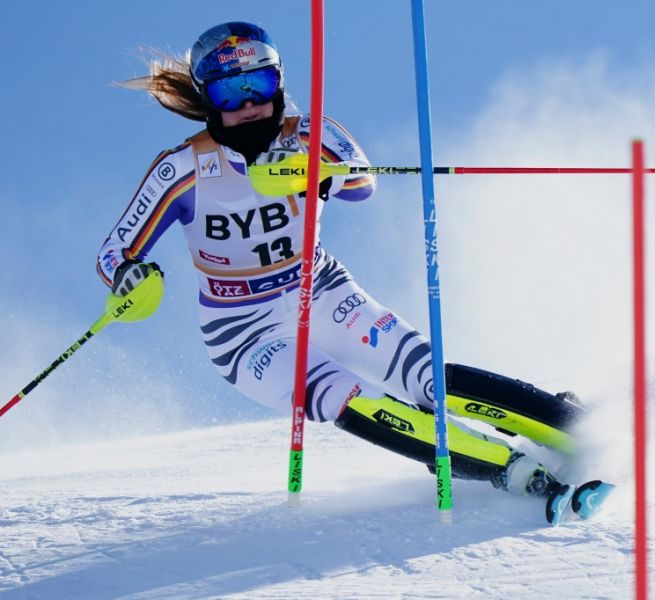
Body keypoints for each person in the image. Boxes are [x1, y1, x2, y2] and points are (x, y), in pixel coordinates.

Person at [97, 22, 595, 524]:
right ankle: (506, 469)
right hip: (244, 332)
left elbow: (362, 181)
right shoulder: (181, 169)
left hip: (323, 292)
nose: (249, 104)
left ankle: (574, 427)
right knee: (340, 395)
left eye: (260, 85)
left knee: (425, 374)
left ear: (280, 84)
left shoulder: (309, 133)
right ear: (209, 100)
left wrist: (312, 170)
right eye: (231, 92)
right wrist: (130, 278)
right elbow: (114, 252)